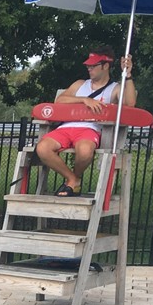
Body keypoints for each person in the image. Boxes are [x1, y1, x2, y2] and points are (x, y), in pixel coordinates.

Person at [34, 46, 136, 197]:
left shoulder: (115, 88)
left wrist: (127, 76)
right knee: (42, 148)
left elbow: (130, 104)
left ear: (105, 65)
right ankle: (73, 180)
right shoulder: (80, 84)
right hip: (66, 127)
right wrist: (84, 99)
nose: (89, 68)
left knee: (85, 151)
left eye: (93, 66)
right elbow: (59, 100)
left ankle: (73, 179)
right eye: (88, 65)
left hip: (90, 129)